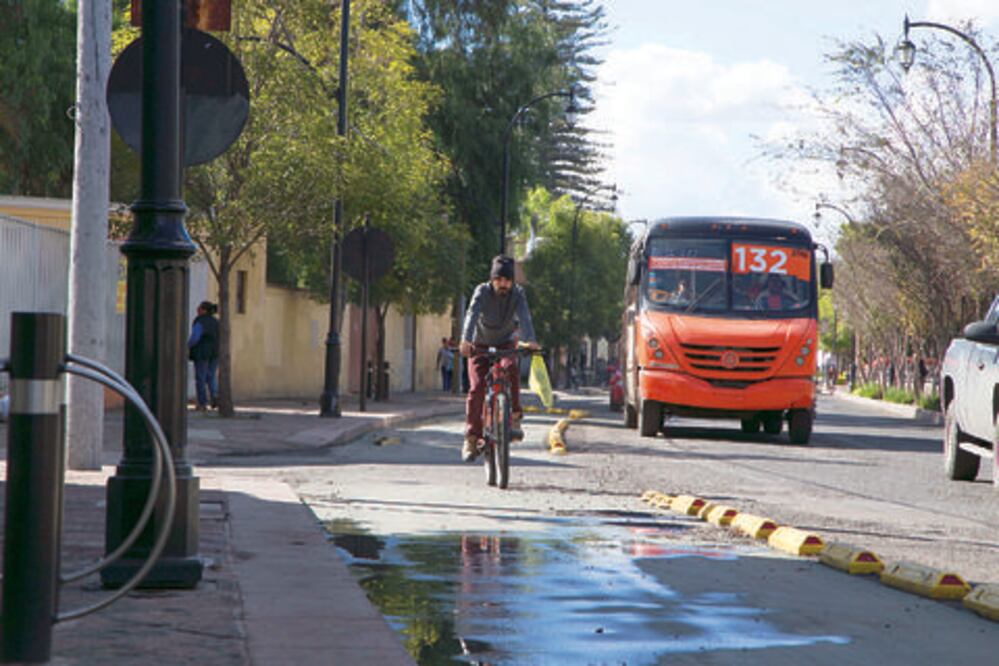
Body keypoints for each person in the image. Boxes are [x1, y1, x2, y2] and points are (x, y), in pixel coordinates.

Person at [459, 255, 539, 462]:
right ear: (492, 279)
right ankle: (471, 437)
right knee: (476, 388)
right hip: (479, 345)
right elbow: (471, 315)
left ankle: (514, 417)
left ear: (512, 281)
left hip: (505, 342)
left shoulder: (518, 294)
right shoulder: (481, 291)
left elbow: (525, 317)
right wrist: (465, 341)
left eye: (507, 280)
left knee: (511, 368)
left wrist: (530, 340)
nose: (503, 284)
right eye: (499, 280)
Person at [188, 301, 220, 411]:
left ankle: (202, 402)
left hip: (202, 352)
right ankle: (214, 396)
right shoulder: (216, 322)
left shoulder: (200, 321)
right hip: (215, 353)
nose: (197, 309)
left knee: (200, 377)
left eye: (199, 308)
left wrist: (187, 346)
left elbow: (195, 337)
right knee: (211, 376)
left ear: (203, 310)